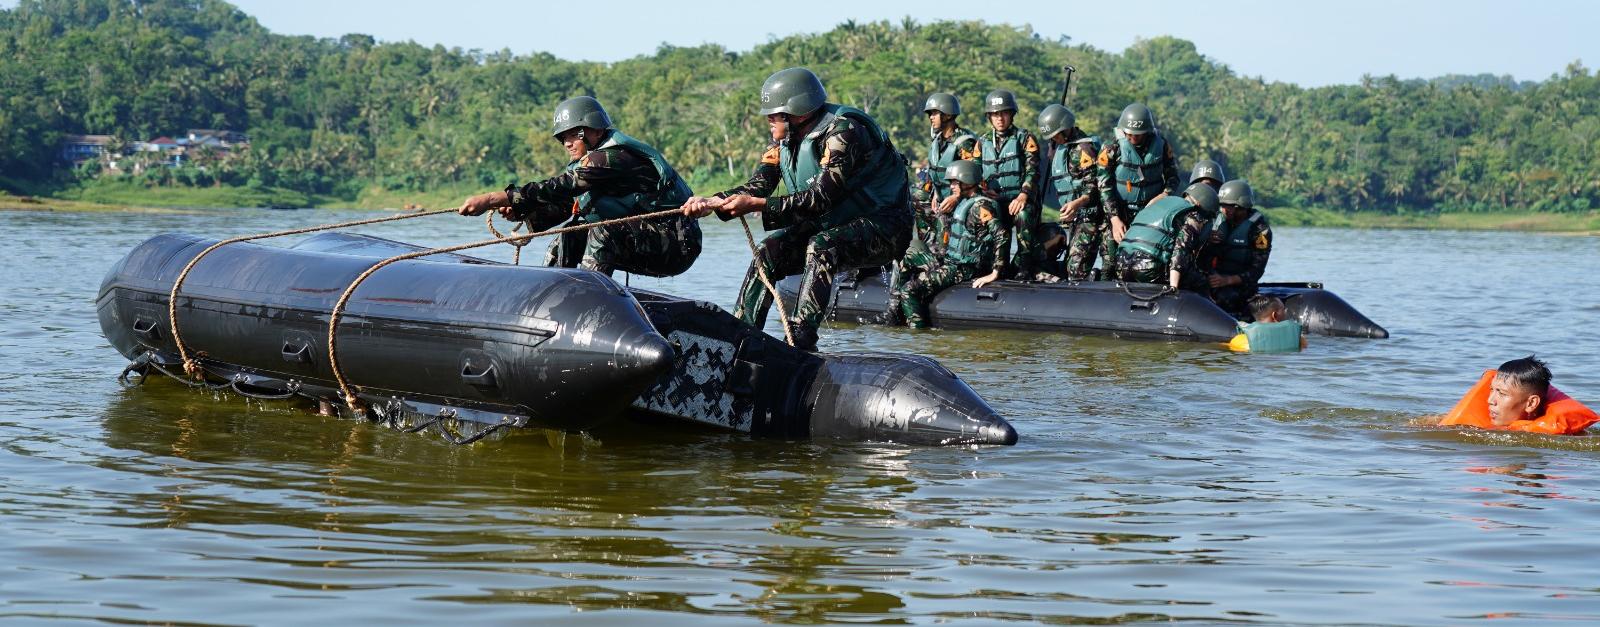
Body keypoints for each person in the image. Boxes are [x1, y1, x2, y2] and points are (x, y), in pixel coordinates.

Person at [681, 68, 911, 351]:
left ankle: (801, 342)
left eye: (774, 114)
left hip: (885, 226)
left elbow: (821, 198)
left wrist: (760, 206)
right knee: (766, 253)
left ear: (798, 112)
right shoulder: (781, 142)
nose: (768, 120)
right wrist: (714, 201)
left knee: (822, 246)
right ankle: (740, 339)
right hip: (835, 223)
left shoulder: (844, 132)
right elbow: (758, 186)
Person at [457, 96, 701, 277]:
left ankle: (588, 302)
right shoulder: (593, 163)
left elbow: (561, 187)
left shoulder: (611, 158)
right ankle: (553, 296)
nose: (567, 144)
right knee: (568, 235)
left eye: (573, 135)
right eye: (563, 138)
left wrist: (493, 198)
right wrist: (523, 211)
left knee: (602, 232)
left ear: (593, 130)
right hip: (646, 236)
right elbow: (569, 204)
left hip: (676, 243)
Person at [891, 92, 981, 323]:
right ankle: (927, 246)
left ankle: (941, 259)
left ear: (948, 115)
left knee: (944, 220)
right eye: (930, 114)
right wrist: (932, 192)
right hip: (941, 202)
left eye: (935, 113)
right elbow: (932, 174)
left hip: (962, 203)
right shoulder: (937, 143)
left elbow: (974, 175)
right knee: (916, 195)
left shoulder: (965, 143)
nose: (931, 118)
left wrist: (957, 194)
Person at [893, 160, 1003, 328]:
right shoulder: (964, 202)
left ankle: (918, 334)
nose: (951, 186)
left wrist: (995, 272)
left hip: (965, 268)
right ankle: (893, 313)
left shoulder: (981, 206)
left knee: (910, 289)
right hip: (953, 261)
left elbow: (1001, 235)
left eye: (954, 182)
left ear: (967, 181)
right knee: (909, 252)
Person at [1096, 102, 1181, 278]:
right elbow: (1104, 186)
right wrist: (1114, 219)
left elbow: (1173, 178)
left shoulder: (1162, 146)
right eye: (1129, 134)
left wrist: (1164, 195)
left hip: (1150, 213)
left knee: (1147, 260)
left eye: (1138, 135)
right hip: (1119, 211)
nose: (1132, 138)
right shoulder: (1112, 148)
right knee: (1111, 261)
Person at [976, 89, 1043, 280]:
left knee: (1023, 214)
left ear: (1011, 114)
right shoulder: (982, 142)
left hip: (1019, 200)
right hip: (994, 200)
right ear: (989, 117)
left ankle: (1024, 266)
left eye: (1003, 113)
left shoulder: (1024, 138)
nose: (1000, 118)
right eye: (995, 114)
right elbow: (974, 172)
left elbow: (1033, 171)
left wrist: (1023, 195)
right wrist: (984, 192)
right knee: (980, 213)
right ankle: (992, 264)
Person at [1438, 356, 1598, 435]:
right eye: (1492, 390)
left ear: (1531, 403)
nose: (1490, 400)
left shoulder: (1565, 438)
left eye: (1502, 393)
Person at [1038, 104, 1105, 281]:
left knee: (1076, 269)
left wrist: (1076, 204)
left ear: (1066, 128)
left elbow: (1093, 187)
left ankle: (1090, 281)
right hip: (1075, 219)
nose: (1054, 139)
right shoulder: (1060, 147)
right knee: (1069, 264)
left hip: (1090, 218)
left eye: (1056, 135)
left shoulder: (1083, 149)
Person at [1114, 182, 1219, 289]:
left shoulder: (1161, 202)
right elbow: (1181, 250)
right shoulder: (1194, 214)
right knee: (1201, 281)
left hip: (1121, 263)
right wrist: (1173, 287)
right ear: (1200, 205)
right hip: (1149, 267)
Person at [1203, 179, 1272, 315]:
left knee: (1224, 299)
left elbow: (1257, 270)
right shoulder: (1216, 220)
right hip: (1212, 278)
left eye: (1228, 206)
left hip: (1240, 285)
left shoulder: (1260, 231)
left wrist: (1227, 280)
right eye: (1221, 205)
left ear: (1242, 205)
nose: (1223, 209)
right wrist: (1206, 239)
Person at [1227, 294, 1306, 353]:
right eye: (1283, 310)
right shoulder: (1298, 339)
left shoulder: (1240, 340)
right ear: (1274, 315)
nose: (1286, 312)